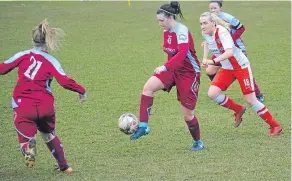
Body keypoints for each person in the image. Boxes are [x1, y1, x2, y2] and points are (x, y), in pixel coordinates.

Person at [0, 19, 86, 173]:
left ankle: (28, 147)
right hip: (45, 106)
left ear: (33, 40)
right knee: (49, 135)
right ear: (48, 42)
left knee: (24, 133)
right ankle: (65, 166)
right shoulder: (52, 61)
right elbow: (65, 81)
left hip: (23, 104)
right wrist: (81, 91)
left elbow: (3, 68)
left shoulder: (23, 55)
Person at [130, 2, 204, 151]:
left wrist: (165, 67)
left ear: (171, 17)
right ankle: (144, 126)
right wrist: (166, 69)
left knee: (188, 115)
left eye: (162, 20)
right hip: (172, 69)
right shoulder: (166, 31)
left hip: (189, 73)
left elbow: (182, 54)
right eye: (158, 20)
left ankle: (198, 142)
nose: (159, 24)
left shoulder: (181, 30)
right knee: (148, 88)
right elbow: (170, 52)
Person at [199, 12, 282, 136]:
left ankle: (275, 126)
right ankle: (238, 109)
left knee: (251, 100)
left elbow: (229, 52)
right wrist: (205, 58)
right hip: (228, 68)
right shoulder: (205, 33)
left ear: (213, 23)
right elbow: (206, 43)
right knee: (212, 93)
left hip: (241, 67)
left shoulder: (221, 32)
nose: (202, 26)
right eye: (201, 23)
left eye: (205, 23)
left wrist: (213, 61)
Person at [205, 0, 264, 103]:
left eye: (215, 8)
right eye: (211, 9)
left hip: (237, 49)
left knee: (246, 73)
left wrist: (229, 40)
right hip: (222, 51)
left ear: (220, 8)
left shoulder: (227, 17)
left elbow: (241, 28)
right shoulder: (211, 20)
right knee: (210, 70)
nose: (213, 10)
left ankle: (258, 94)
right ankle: (218, 89)